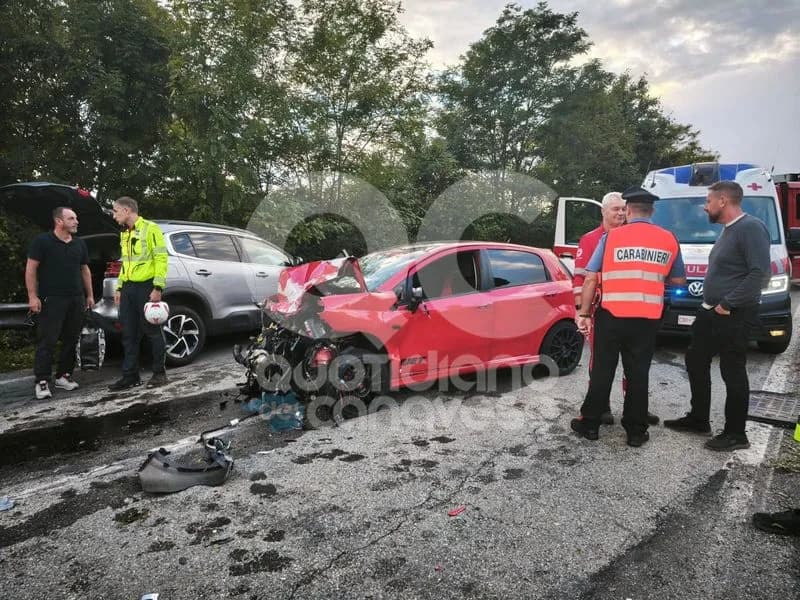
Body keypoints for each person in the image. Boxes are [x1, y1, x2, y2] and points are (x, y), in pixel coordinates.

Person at [571, 187, 686, 447]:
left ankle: (590, 424)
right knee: (638, 373)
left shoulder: (611, 237)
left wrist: (584, 312)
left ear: (630, 210)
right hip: (647, 320)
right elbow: (679, 280)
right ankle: (635, 431)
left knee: (602, 371)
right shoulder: (669, 239)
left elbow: (590, 278)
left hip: (611, 316)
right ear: (652, 210)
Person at [664, 181, 771, 451]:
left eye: (708, 201)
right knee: (695, 358)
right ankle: (699, 419)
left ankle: (736, 434)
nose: (705, 206)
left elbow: (760, 274)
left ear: (723, 201)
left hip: (734, 312)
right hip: (710, 310)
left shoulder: (751, 227)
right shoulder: (728, 230)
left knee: (732, 369)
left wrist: (728, 303)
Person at [573, 192, 659, 426]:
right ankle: (601, 408)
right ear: (603, 211)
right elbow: (580, 278)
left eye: (623, 208)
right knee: (600, 365)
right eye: (615, 209)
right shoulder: (590, 239)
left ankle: (636, 409)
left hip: (635, 310)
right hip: (601, 309)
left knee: (635, 367)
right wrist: (581, 311)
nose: (621, 213)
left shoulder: (636, 235)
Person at [25, 207, 95, 399]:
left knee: (71, 339)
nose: (76, 221)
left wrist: (89, 295)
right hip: (51, 299)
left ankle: (63, 376)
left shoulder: (79, 243)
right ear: (59, 221)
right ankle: (42, 380)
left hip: (76, 298)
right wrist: (32, 296)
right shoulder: (42, 241)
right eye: (71, 218)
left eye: (76, 218)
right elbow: (31, 269)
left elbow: (85, 270)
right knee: (47, 340)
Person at [109, 196, 168, 391]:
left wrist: (157, 287)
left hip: (146, 286)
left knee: (152, 331)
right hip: (128, 288)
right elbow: (125, 263)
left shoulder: (151, 228)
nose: (114, 215)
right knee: (129, 334)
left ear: (127, 210)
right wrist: (119, 287)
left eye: (116, 211)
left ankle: (159, 374)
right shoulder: (125, 233)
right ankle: (130, 376)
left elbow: (161, 258)